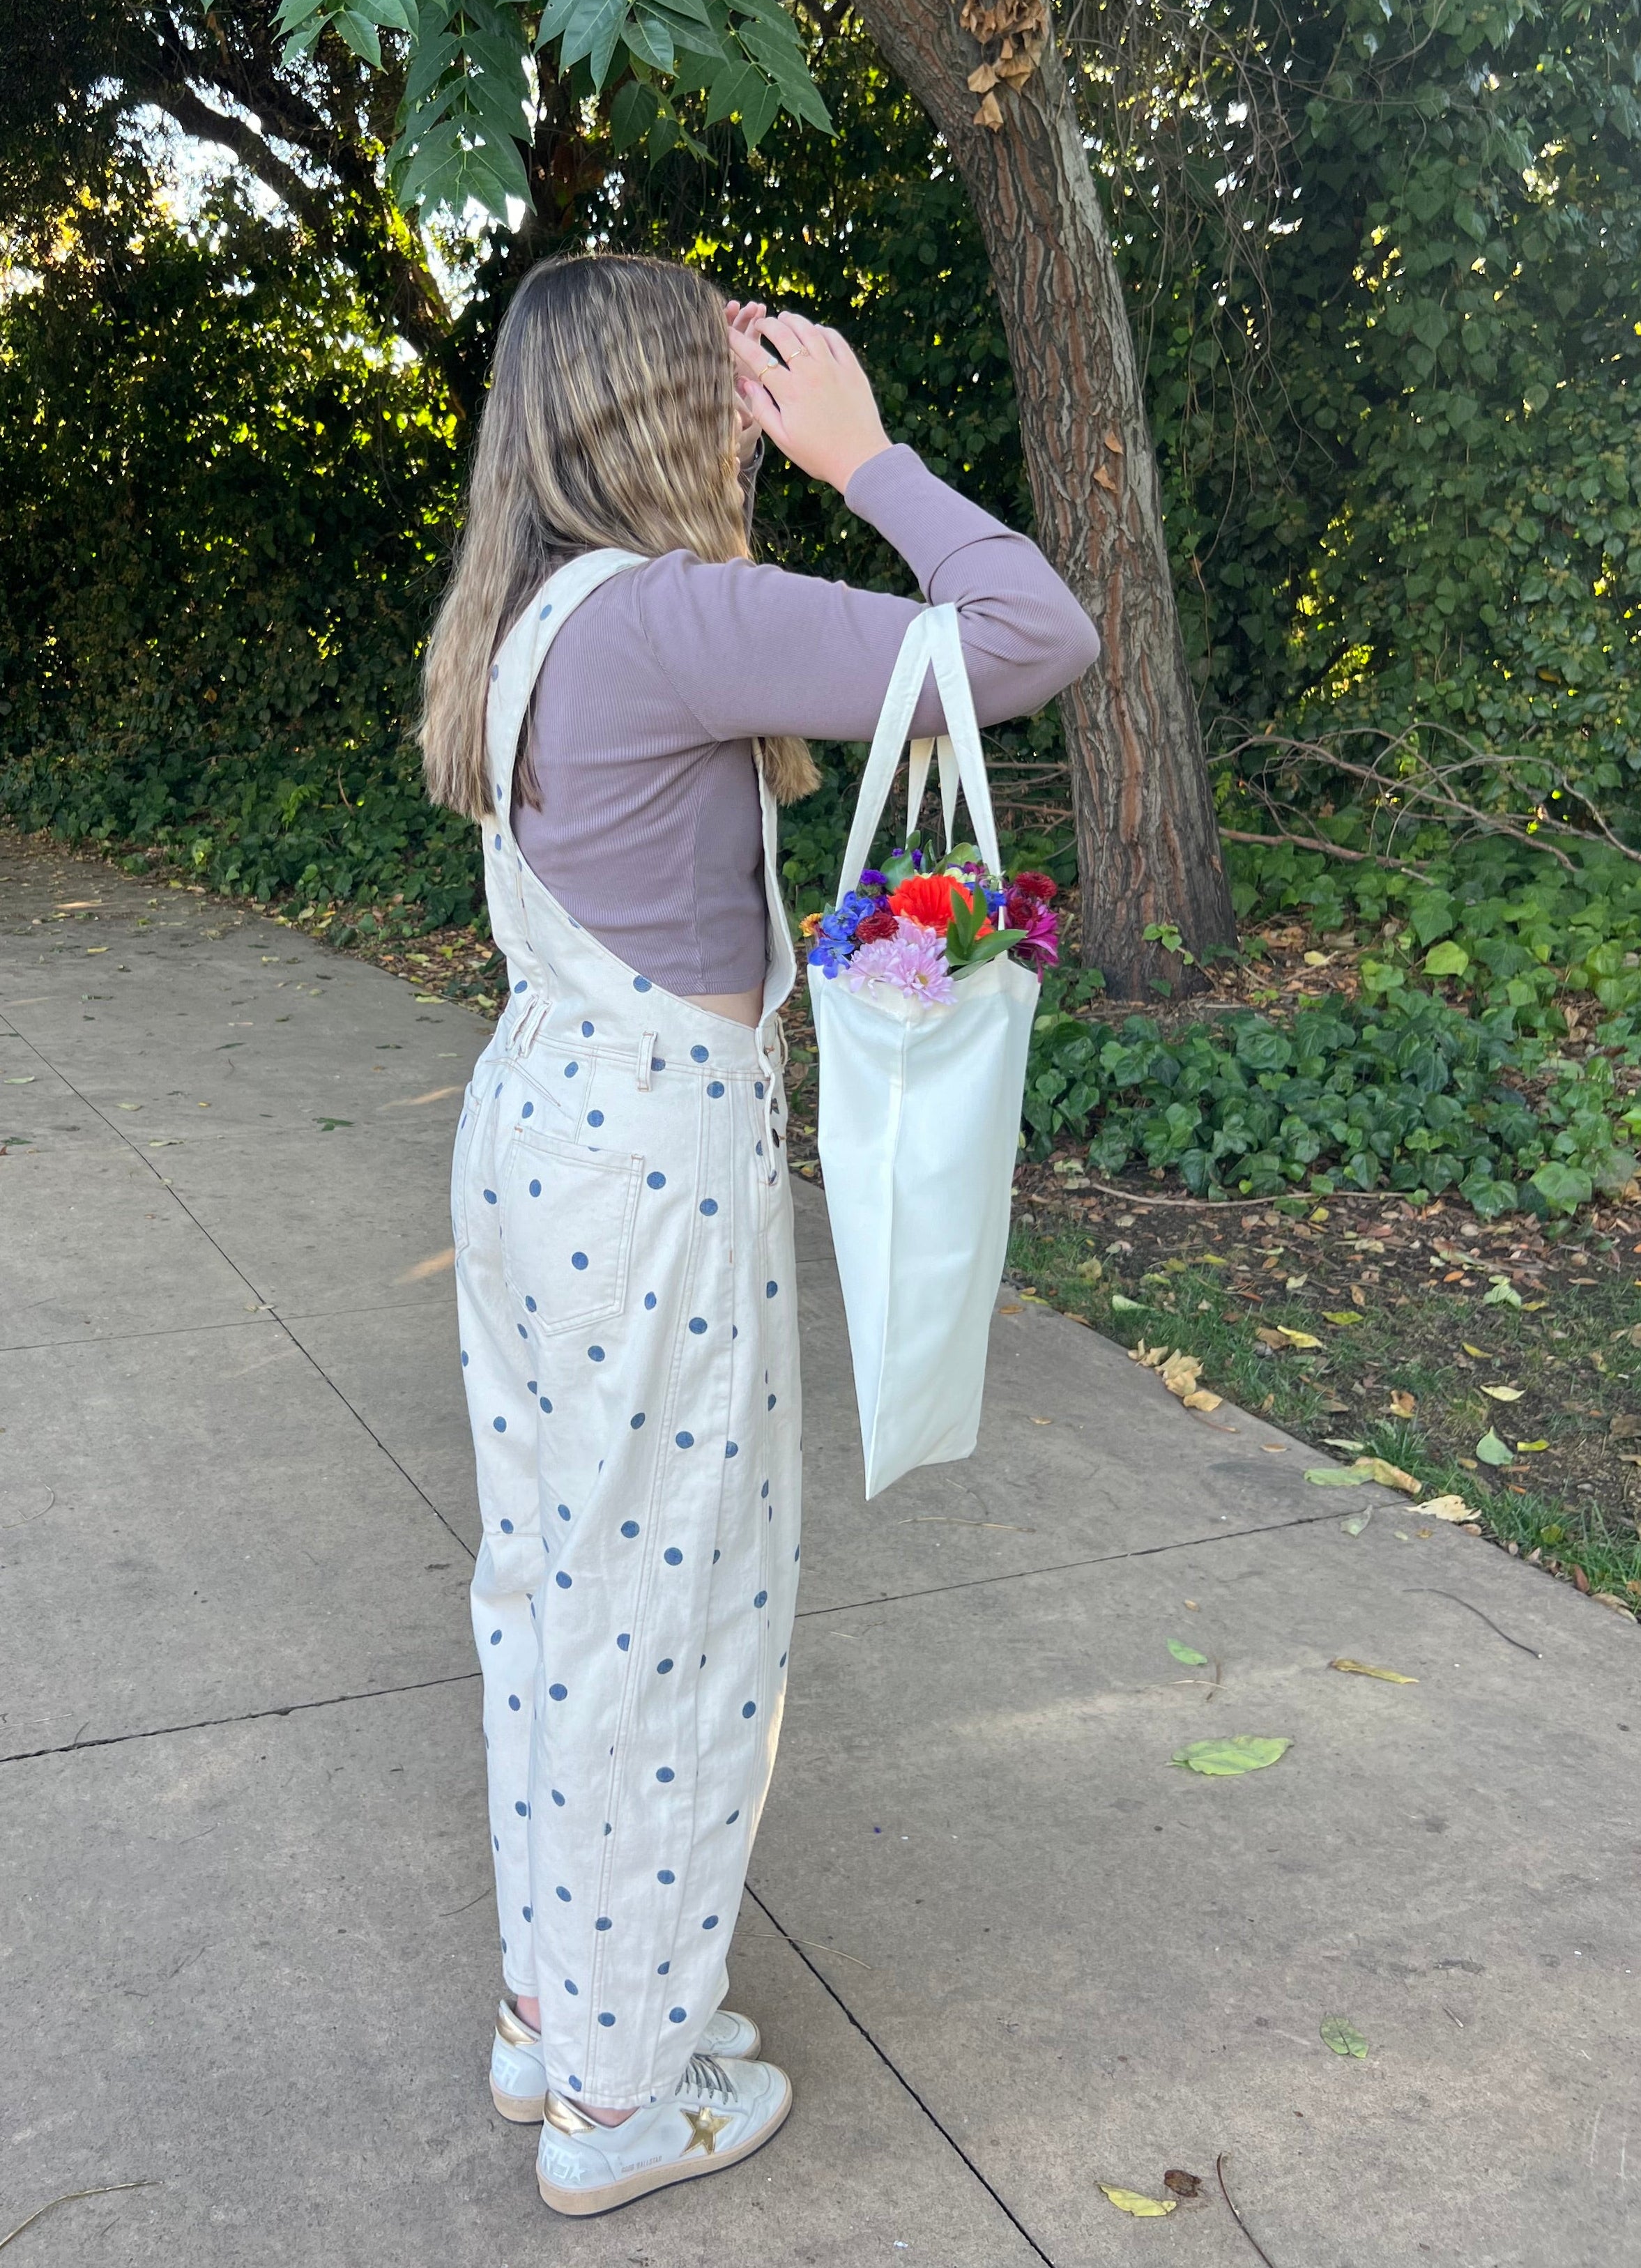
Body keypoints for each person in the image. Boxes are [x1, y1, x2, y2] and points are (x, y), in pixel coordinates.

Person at [419, 254, 1097, 2216]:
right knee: (677, 1608)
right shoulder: (676, 618)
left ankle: (569, 2004)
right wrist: (869, 457)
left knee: (554, 1588)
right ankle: (623, 2097)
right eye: (725, 373)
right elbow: (1026, 632)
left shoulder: (534, 615)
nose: (753, 404)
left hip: (543, 1124)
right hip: (645, 1159)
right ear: (651, 399)